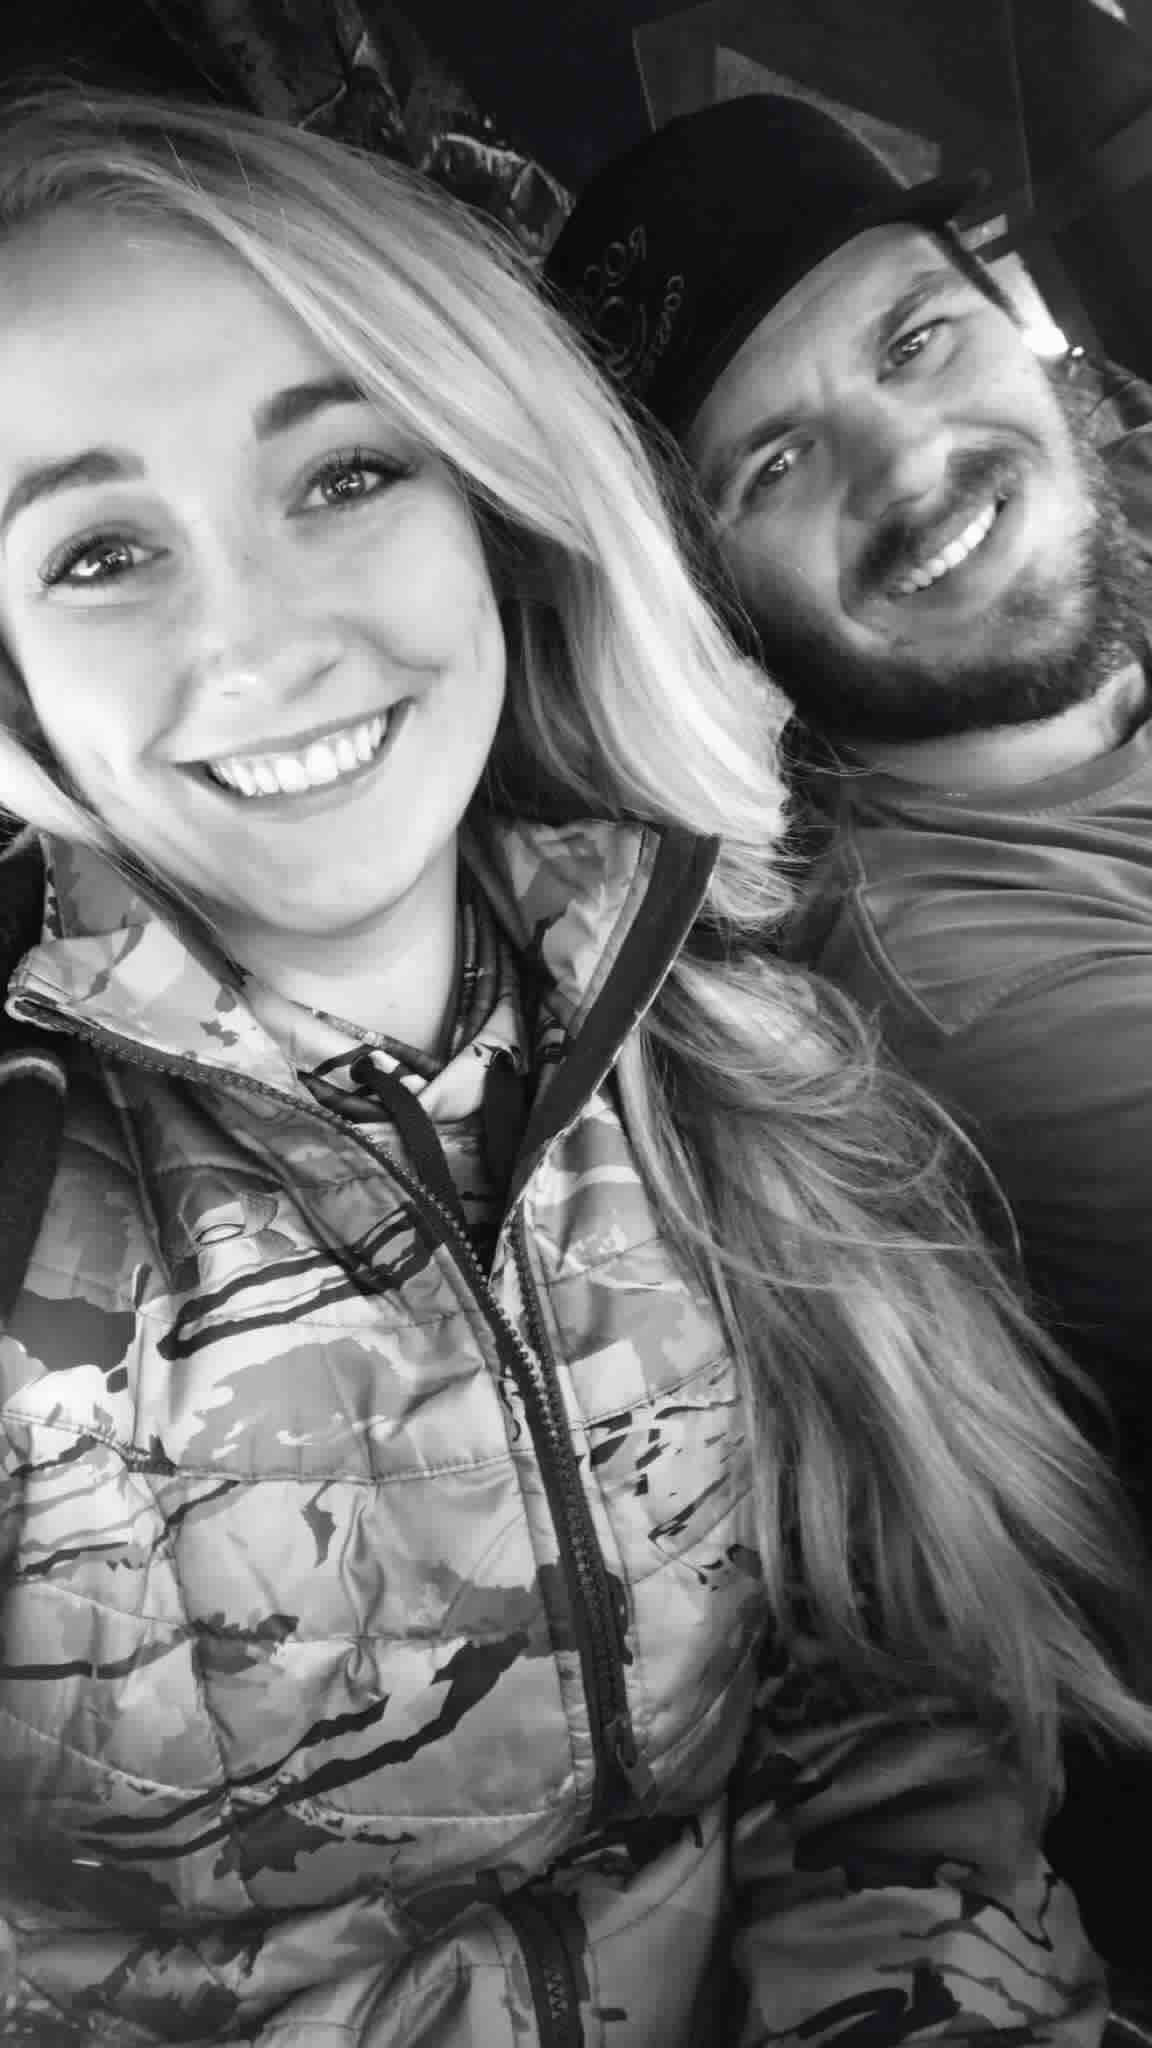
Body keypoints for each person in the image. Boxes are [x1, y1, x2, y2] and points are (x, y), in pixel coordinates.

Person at [0, 85, 1150, 2048]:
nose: (260, 643)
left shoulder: (729, 1035)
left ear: (498, 509)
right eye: (100, 553)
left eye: (344, 474)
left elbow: (884, 1685)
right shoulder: (36, 1189)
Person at [545, 92, 1152, 1516]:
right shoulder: (976, 988)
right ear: (716, 606)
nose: (910, 466)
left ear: (1005, 315)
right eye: (776, 466)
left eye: (916, 341)